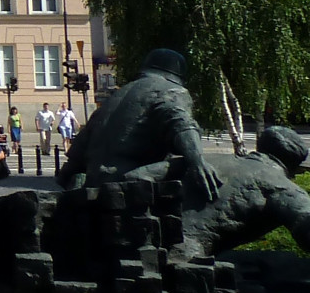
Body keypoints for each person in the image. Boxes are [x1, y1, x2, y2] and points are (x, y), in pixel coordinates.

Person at [58, 48, 222, 208]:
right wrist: (197, 161)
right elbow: (181, 124)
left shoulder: (115, 97)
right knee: (197, 161)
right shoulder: (170, 90)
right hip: (127, 180)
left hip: (93, 181)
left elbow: (75, 156)